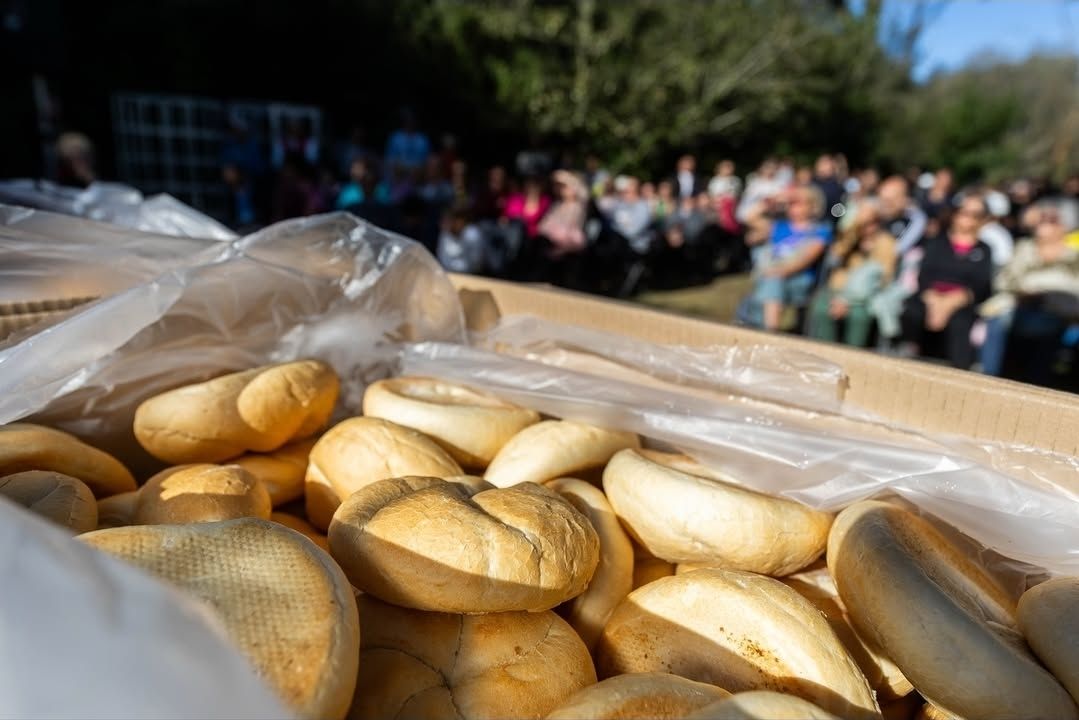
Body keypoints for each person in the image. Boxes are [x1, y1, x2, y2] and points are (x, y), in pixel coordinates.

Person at [979, 208, 1079, 384]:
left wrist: (1045, 295)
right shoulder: (1023, 248)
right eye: (1042, 219)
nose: (1044, 224)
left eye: (1051, 220)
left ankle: (1037, 386)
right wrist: (1026, 293)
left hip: (1057, 312)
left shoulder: (1073, 257)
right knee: (997, 322)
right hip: (1018, 305)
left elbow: (1073, 289)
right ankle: (989, 379)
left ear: (1064, 227)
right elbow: (1003, 281)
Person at [899, 195, 995, 369]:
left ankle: (958, 375)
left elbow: (982, 284)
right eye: (964, 212)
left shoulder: (984, 250)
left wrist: (951, 303)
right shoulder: (936, 243)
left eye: (976, 214)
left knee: (960, 323)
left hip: (961, 302)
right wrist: (934, 301)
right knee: (913, 312)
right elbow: (924, 276)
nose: (968, 218)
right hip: (930, 297)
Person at [742, 184, 833, 331]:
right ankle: (767, 330)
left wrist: (775, 272)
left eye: (798, 202)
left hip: (798, 281)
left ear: (812, 206)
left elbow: (802, 262)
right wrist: (771, 201)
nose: (792, 206)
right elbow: (748, 217)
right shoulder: (779, 226)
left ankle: (769, 331)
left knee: (772, 282)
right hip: (772, 277)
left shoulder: (819, 231)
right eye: (791, 202)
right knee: (772, 282)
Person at [807, 204, 897, 347]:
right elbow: (835, 256)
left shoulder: (886, 242)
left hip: (863, 297)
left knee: (858, 317)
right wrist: (852, 235)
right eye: (862, 224)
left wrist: (847, 301)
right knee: (822, 309)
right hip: (837, 290)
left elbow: (883, 277)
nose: (866, 228)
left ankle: (854, 357)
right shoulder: (852, 237)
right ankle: (824, 350)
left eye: (870, 223)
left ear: (878, 222)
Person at [436, 203, 488, 274]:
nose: (444, 223)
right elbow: (442, 259)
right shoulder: (444, 234)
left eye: (449, 219)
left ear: (460, 221)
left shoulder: (473, 234)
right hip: (448, 275)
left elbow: (475, 264)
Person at [608, 176, 653, 253]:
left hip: (637, 248)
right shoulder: (620, 205)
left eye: (628, 192)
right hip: (620, 246)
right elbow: (613, 223)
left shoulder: (643, 207)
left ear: (636, 191)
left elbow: (633, 231)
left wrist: (618, 231)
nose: (625, 195)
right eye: (624, 192)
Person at [384, 108, 431, 175]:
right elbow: (390, 160)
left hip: (419, 176)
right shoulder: (395, 138)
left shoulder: (423, 139)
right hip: (399, 176)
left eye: (412, 118)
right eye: (407, 118)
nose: (409, 121)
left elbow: (427, 161)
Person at [812, 154, 845, 224]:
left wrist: (832, 221)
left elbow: (840, 209)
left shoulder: (837, 187)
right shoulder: (812, 183)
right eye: (821, 163)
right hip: (811, 223)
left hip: (827, 223)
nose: (822, 167)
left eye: (825, 164)